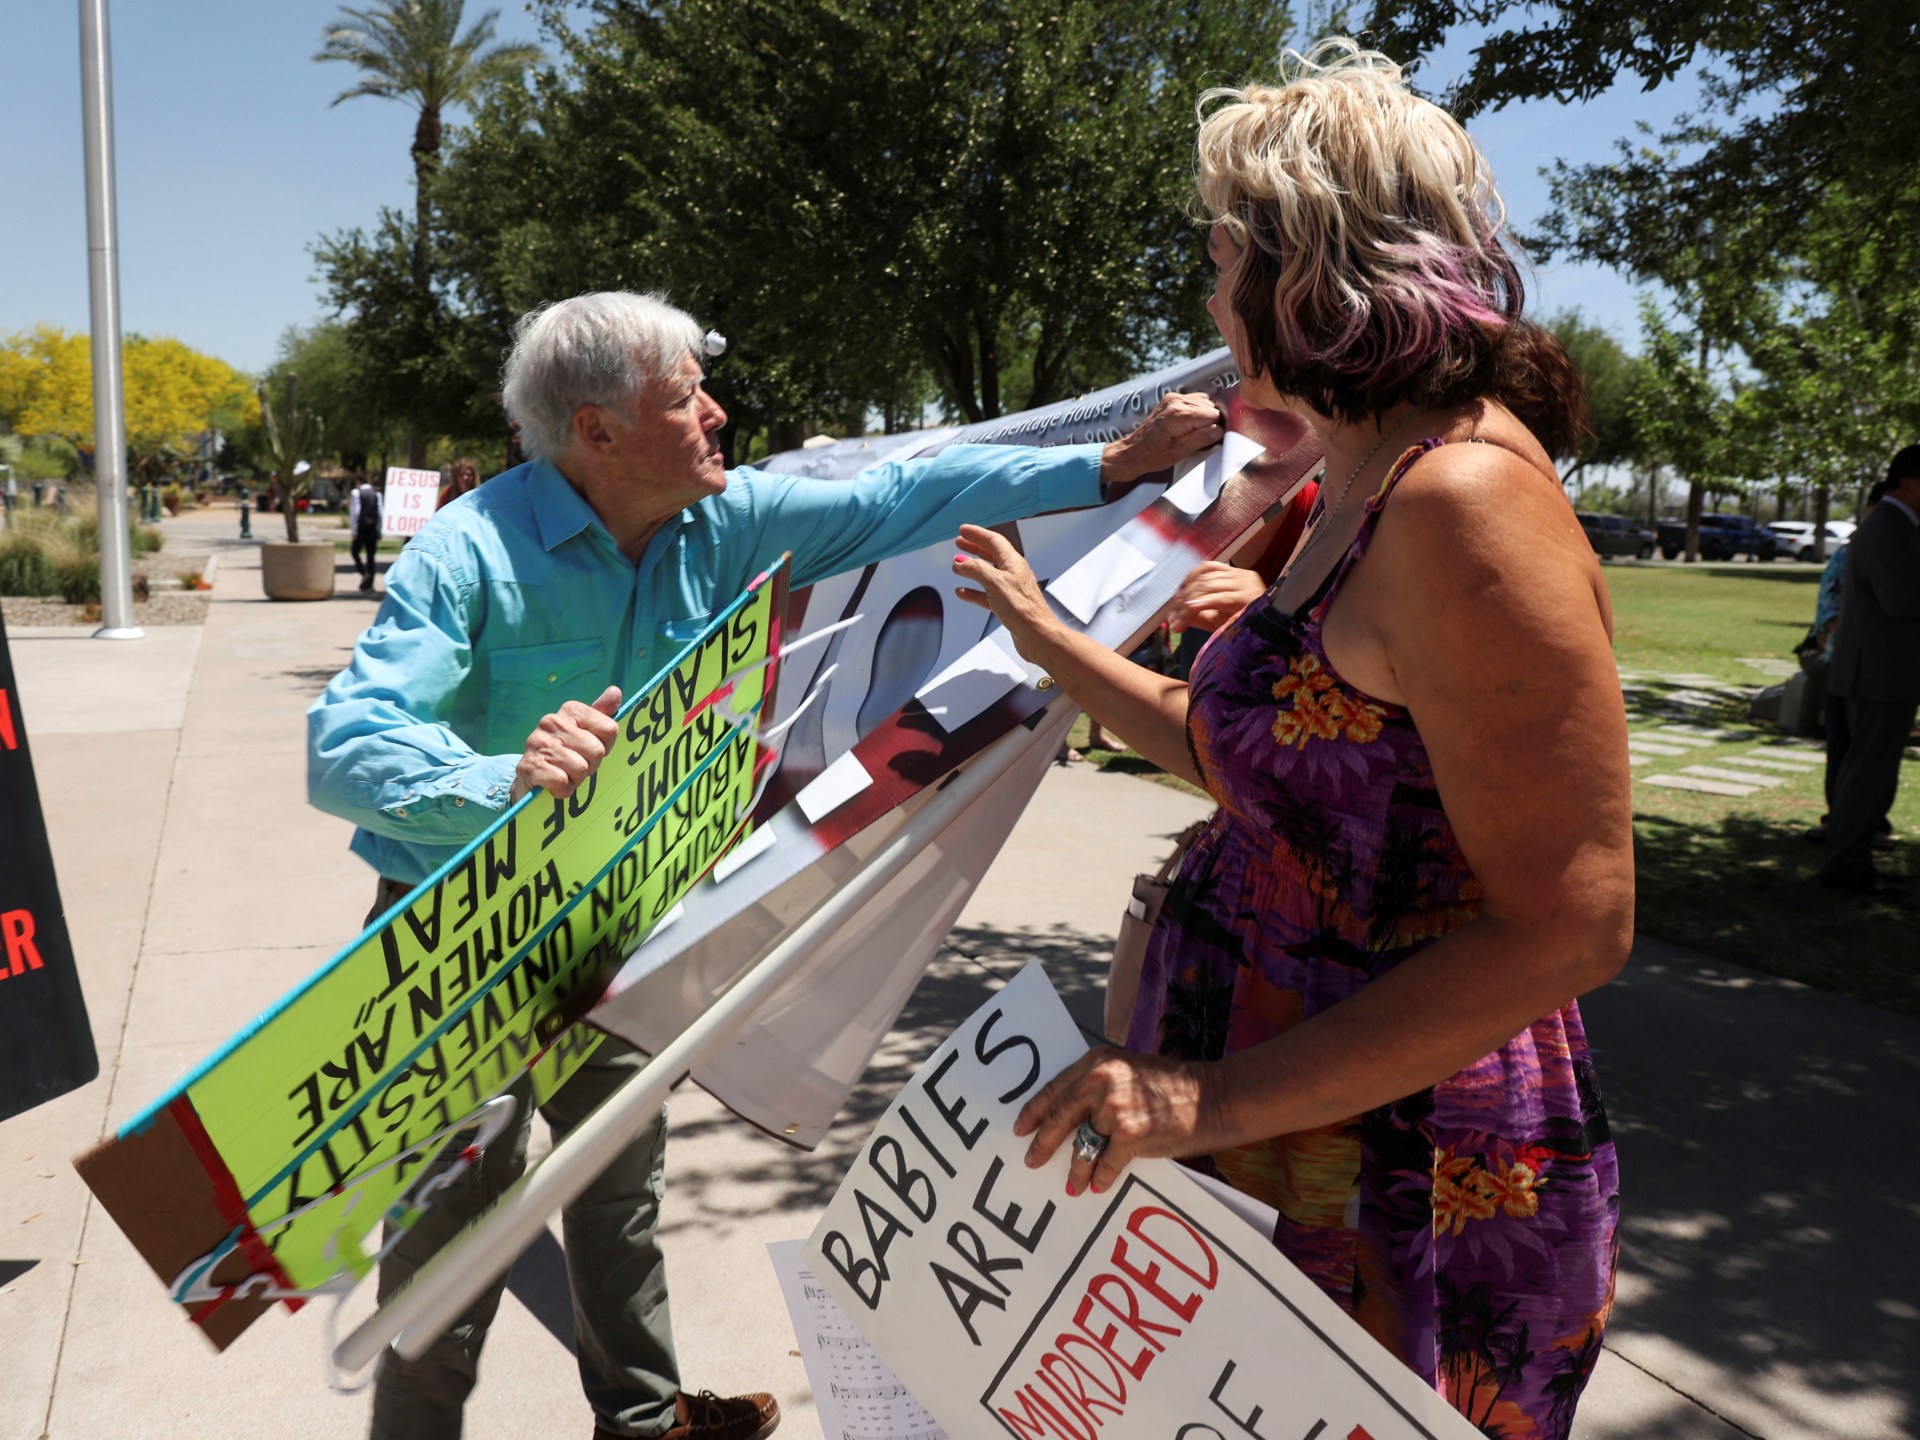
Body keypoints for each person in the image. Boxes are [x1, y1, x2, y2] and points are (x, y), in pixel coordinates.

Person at [307, 290, 1222, 1440]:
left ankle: (642, 1422)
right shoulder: (468, 551)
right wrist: (505, 779)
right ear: (596, 430)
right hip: (462, 936)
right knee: (453, 1227)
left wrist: (1113, 464)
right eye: (687, 397)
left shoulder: (727, 519)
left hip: (624, 923)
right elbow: (344, 746)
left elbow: (906, 496)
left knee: (615, 1184)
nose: (718, 413)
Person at [953, 41, 1628, 1438]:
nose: (1209, 299)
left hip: (1391, 1152)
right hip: (1267, 1100)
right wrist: (1046, 645)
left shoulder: (1464, 501)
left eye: (1220, 263)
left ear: (1306, 274)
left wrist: (1205, 1095)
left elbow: (1573, 924)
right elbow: (1273, 776)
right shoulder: (1360, 468)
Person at [1819, 445, 1920, 893]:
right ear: (1910, 481)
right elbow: (1901, 601)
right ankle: (1846, 869)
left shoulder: (1894, 526)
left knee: (1870, 774)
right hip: (1878, 674)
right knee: (1867, 776)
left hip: (1882, 672)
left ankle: (1851, 863)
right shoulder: (1888, 528)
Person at [348, 475, 384, 591]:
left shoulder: (356, 493)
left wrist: (354, 530)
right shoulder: (377, 494)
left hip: (362, 527)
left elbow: (355, 513)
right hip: (373, 527)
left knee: (354, 551)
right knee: (371, 555)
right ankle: (370, 582)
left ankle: (364, 574)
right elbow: (380, 513)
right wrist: (379, 530)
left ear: (358, 481)